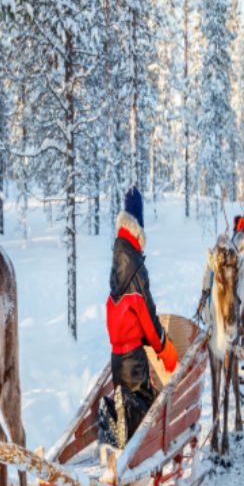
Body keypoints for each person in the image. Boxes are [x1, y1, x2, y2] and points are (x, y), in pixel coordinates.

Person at [99, 186, 178, 449]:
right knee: (145, 410)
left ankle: (113, 408)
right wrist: (165, 349)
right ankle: (122, 410)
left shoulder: (116, 262)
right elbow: (150, 322)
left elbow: (124, 313)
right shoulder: (137, 268)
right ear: (139, 228)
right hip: (134, 359)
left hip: (117, 359)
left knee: (126, 410)